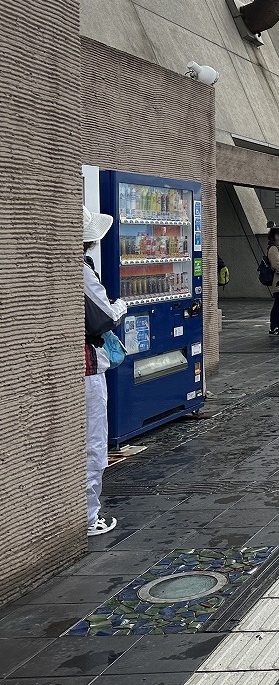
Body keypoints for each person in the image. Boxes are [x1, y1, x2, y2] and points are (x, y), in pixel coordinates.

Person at [84, 206, 127, 537]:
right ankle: (89, 516)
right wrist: (120, 307)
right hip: (87, 366)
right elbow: (102, 318)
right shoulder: (82, 271)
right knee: (94, 441)